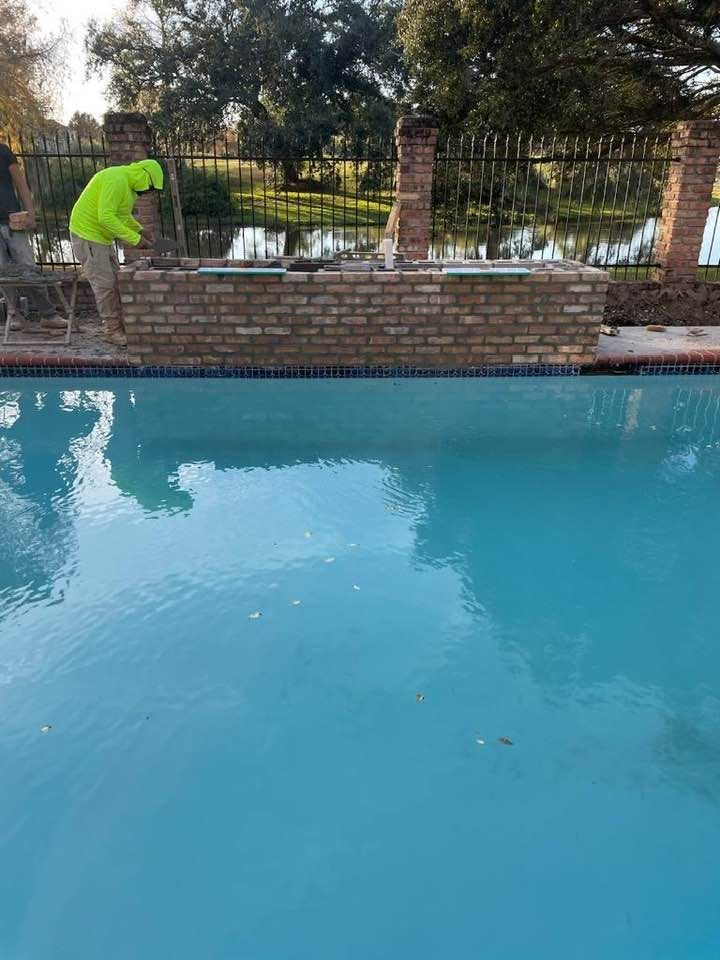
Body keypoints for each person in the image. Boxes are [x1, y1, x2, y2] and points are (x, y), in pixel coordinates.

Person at [70, 158, 164, 346]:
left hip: (100, 238)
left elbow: (121, 215)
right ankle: (111, 331)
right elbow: (105, 217)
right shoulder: (116, 179)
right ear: (144, 175)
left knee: (114, 282)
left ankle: (120, 326)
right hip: (88, 236)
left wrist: (140, 230)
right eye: (149, 187)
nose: (147, 192)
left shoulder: (127, 186)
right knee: (105, 286)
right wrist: (136, 240)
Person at [0, 142, 67, 331]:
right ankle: (14, 315)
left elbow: (21, 184)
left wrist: (30, 213)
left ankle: (49, 315)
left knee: (29, 269)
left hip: (13, 221)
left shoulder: (3, 151)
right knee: (3, 273)